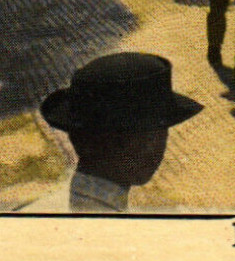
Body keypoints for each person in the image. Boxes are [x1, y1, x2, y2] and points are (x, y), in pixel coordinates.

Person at [27, 52, 201, 213]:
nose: (156, 147)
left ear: (75, 137)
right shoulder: (121, 230)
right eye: (154, 132)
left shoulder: (42, 207)